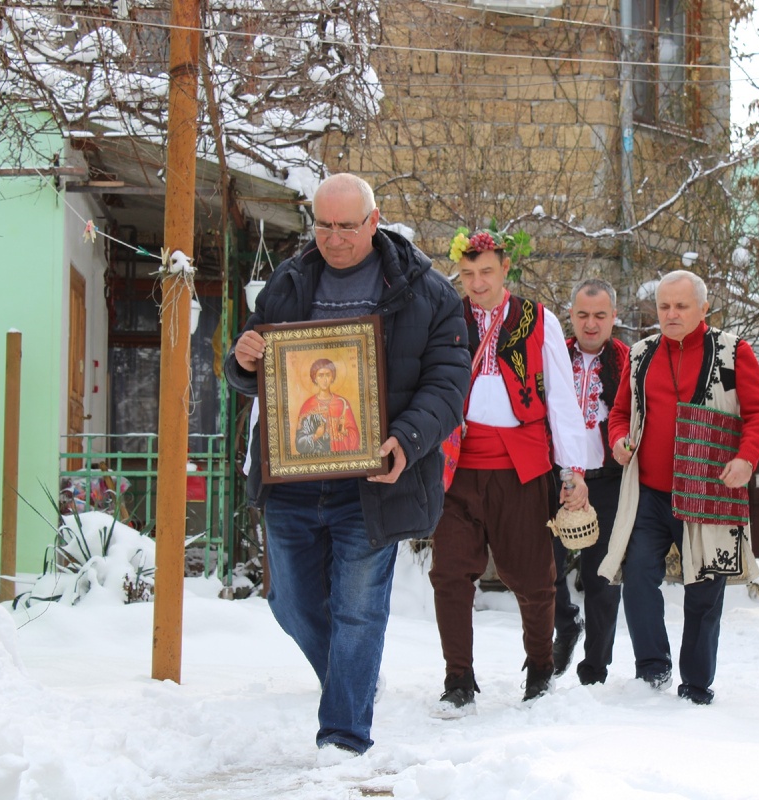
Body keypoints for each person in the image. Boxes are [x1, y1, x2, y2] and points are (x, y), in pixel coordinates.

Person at [223, 173, 470, 756]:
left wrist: (406, 441)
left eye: (347, 226)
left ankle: (343, 736)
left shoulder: (426, 292)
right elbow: (254, 366)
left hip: (372, 482)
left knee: (359, 610)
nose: (334, 239)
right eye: (324, 226)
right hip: (291, 479)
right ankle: (352, 676)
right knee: (289, 602)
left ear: (374, 219)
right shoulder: (287, 281)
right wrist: (243, 356)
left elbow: (449, 384)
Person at [430, 228, 591, 716]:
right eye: (468, 273)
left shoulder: (537, 319)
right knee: (450, 573)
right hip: (455, 467)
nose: (477, 283)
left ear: (504, 269)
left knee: (532, 576)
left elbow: (563, 400)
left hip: (521, 467)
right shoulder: (445, 319)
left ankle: (540, 668)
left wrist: (574, 470)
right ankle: (458, 678)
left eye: (487, 272)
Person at [598, 270, 759, 705]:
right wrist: (619, 440)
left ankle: (696, 685)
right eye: (664, 306)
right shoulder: (640, 354)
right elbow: (620, 412)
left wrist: (746, 458)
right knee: (637, 577)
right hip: (650, 492)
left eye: (681, 306)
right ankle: (652, 668)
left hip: (708, 492)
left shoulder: (735, 353)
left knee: (705, 588)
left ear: (703, 309)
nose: (671, 314)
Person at [550, 278, 629, 685]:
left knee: (602, 576)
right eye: (583, 315)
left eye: (600, 315)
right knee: (543, 566)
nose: (591, 324)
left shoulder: (630, 362)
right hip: (557, 478)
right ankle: (566, 623)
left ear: (614, 317)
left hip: (606, 482)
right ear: (571, 316)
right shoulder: (555, 358)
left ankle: (594, 669)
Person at [295, 358, 361, 454]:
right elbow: (299, 444)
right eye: (320, 375)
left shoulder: (342, 404)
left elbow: (355, 437)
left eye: (328, 375)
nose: (324, 380)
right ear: (315, 378)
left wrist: (344, 431)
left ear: (332, 377)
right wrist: (316, 436)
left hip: (342, 459)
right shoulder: (308, 406)